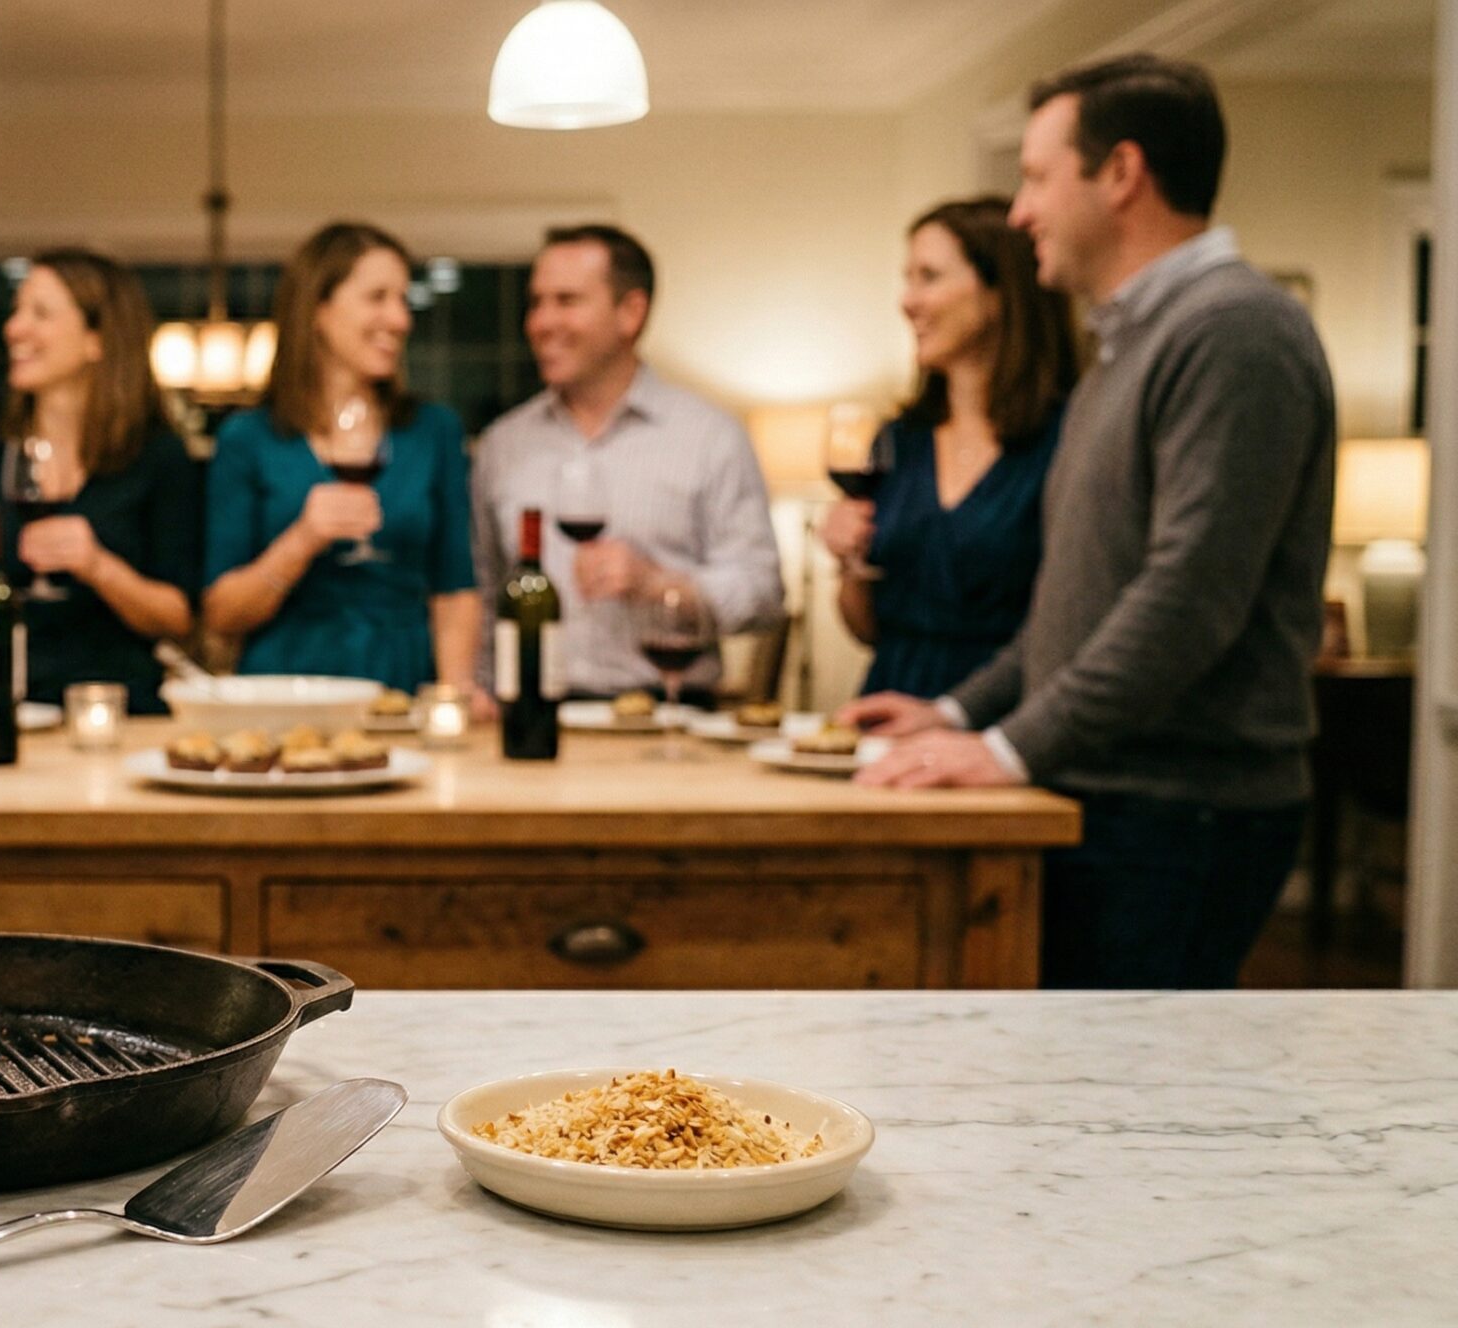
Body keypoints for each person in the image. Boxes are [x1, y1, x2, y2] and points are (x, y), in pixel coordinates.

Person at [844, 55, 1335, 990]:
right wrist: (954, 711)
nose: (1020, 211)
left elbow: (1188, 600)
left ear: (1121, 175)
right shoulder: (1127, 347)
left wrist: (1003, 748)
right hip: (1106, 795)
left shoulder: (1236, 331)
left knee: (1134, 1119)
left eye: (1035, 176)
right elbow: (1079, 603)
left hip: (1179, 813)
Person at [469, 225, 784, 706]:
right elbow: (486, 595)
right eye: (537, 302)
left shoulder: (709, 438)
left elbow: (763, 594)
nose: (541, 322)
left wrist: (661, 585)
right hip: (532, 719)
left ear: (630, 312)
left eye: (567, 301)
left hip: (668, 715)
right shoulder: (503, 446)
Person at [201, 222, 479, 695]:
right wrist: (303, 540)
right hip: (284, 692)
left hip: (402, 686)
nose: (400, 319)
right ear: (318, 309)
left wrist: (456, 690)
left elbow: (454, 587)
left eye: (402, 299)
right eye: (377, 297)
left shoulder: (433, 431)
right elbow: (222, 614)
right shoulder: (248, 438)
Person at [820, 197, 1078, 698]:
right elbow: (870, 631)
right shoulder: (896, 444)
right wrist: (848, 564)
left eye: (929, 277)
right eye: (908, 278)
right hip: (889, 711)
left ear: (1000, 293)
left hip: (1006, 716)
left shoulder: (1064, 441)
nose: (907, 301)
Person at [0, 249, 201, 713]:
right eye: (16, 310)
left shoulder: (157, 457)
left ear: (98, 340)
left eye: (40, 313)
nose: (14, 328)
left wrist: (97, 566)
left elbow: (177, 618)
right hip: (7, 712)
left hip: (121, 712)